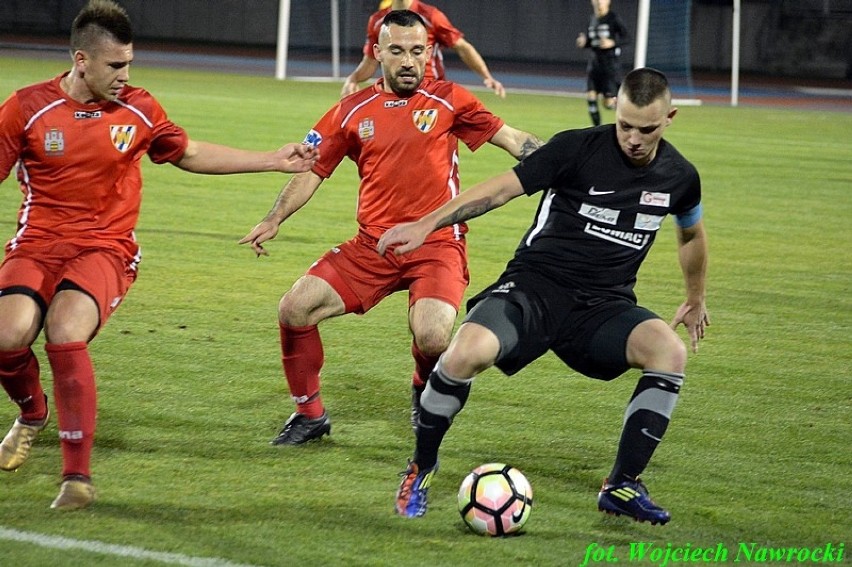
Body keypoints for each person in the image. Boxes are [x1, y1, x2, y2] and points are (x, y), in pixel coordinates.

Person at [0, 0, 318, 511]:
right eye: (115, 66)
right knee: (6, 336)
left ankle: (76, 475)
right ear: (82, 60)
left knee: (65, 331)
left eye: (129, 64)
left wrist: (272, 160)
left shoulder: (139, 109)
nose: (126, 75)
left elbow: (187, 153)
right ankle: (32, 412)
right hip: (36, 244)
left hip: (105, 248)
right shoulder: (26, 107)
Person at [379, 67, 709, 524]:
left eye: (646, 129)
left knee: (669, 353)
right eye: (625, 125)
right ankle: (422, 466)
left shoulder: (679, 176)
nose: (633, 138)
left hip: (603, 307)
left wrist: (694, 297)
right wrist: (426, 223)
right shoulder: (576, 147)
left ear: (669, 117)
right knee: (462, 355)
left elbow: (691, 235)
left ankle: (622, 485)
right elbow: (499, 190)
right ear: (615, 110)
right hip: (535, 288)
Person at [239, 10, 542, 447]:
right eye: (397, 51)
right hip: (374, 246)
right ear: (377, 53)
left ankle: (424, 390)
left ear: (429, 52)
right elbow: (311, 169)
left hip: (437, 242)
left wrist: (564, 164)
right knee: (295, 308)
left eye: (417, 51)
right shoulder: (352, 109)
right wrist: (274, 217)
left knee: (434, 336)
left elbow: (514, 140)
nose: (407, 61)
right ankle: (310, 415)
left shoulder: (449, 99)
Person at [341, 0, 505, 99]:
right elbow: (370, 61)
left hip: (431, 93)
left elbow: (463, 47)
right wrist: (353, 78)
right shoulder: (377, 21)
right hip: (396, 93)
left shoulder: (431, 16)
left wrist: (487, 77)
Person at [576, 0, 630, 126]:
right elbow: (591, 41)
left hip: (610, 67)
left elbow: (627, 38)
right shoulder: (592, 19)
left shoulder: (613, 18)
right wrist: (584, 43)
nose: (600, 2)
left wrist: (613, 43)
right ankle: (597, 129)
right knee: (590, 97)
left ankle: (627, 116)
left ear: (608, 2)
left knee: (608, 103)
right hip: (594, 65)